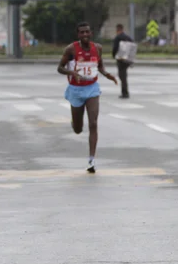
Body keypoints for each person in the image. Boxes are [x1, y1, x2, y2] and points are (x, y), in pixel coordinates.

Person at [57, 22, 118, 173]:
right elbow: (60, 68)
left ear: (91, 33)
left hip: (92, 88)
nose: (85, 35)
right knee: (78, 129)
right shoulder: (71, 49)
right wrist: (73, 73)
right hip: (76, 90)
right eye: (81, 32)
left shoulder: (97, 48)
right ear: (78, 35)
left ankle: (91, 159)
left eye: (87, 32)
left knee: (93, 123)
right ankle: (75, 122)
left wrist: (107, 74)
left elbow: (100, 66)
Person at [112, 24, 134, 99]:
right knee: (124, 76)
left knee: (122, 76)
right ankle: (125, 92)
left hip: (120, 59)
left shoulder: (117, 38)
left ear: (118, 29)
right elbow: (132, 47)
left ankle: (125, 93)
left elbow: (115, 48)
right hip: (127, 59)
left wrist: (113, 55)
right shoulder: (128, 37)